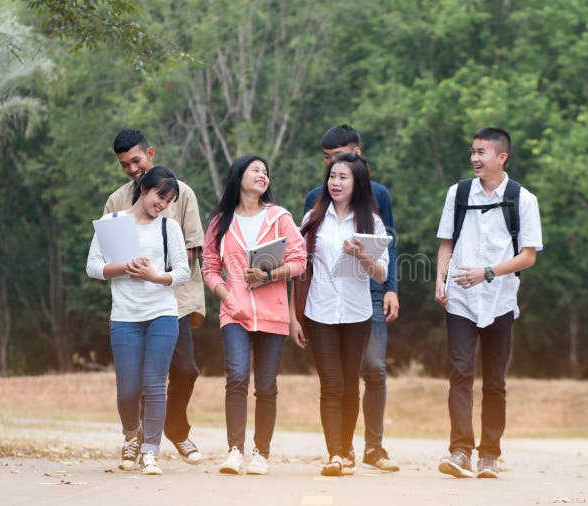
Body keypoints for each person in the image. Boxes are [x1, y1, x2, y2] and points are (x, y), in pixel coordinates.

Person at [434, 127, 542, 479]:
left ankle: (489, 455)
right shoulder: (459, 192)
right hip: (461, 300)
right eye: (472, 152)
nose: (474, 158)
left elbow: (527, 257)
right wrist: (440, 277)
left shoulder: (523, 200)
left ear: (501, 157)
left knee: (495, 382)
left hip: (499, 300)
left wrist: (488, 273)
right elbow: (447, 244)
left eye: (481, 152)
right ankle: (460, 450)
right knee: (460, 374)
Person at [103, 129, 206, 466]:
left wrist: (159, 274)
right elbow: (107, 256)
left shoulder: (183, 193)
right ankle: (141, 440)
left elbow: (192, 248)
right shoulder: (116, 201)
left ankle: (175, 428)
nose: (132, 168)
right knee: (141, 379)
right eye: (125, 165)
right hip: (133, 306)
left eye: (136, 160)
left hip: (174, 299)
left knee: (186, 369)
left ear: (150, 152)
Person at [303, 125, 400, 472]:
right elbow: (302, 267)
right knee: (330, 384)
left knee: (349, 383)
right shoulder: (313, 217)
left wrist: (362, 256)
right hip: (320, 310)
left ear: (356, 182)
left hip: (358, 312)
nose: (335, 182)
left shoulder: (371, 221)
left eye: (343, 176)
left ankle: (348, 448)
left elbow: (380, 273)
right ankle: (335, 453)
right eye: (332, 175)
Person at [202, 155, 306, 475]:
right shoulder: (220, 222)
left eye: (265, 172)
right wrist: (227, 296)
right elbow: (209, 268)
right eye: (255, 170)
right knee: (236, 377)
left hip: (273, 315)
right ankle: (234, 451)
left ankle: (261, 453)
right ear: (239, 176)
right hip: (234, 313)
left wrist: (268, 275)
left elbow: (300, 261)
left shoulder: (280, 217)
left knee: (266, 386)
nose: (262, 175)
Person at [86, 166, 191, 475]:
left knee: (155, 384)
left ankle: (150, 451)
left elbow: (183, 272)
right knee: (128, 389)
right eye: (160, 195)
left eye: (169, 199)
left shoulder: (168, 227)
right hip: (125, 316)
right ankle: (132, 434)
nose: (163, 204)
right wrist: (123, 269)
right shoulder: (112, 224)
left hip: (162, 313)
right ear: (144, 188)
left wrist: (155, 276)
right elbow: (93, 266)